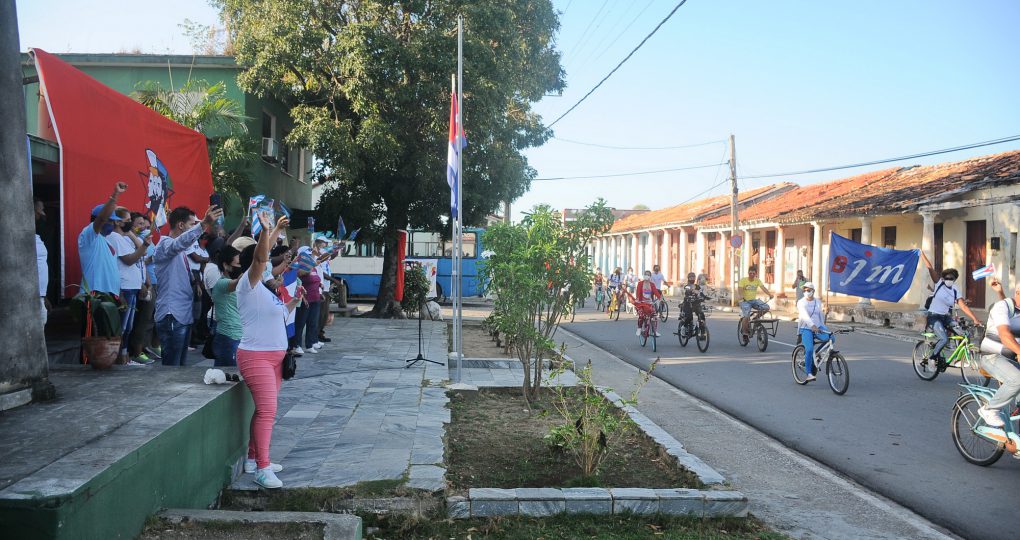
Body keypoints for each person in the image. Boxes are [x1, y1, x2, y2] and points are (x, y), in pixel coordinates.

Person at [237, 212, 301, 489]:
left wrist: (294, 302)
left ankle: (253, 458)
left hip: (274, 359)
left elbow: (279, 316)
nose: (268, 262)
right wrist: (266, 232)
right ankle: (262, 468)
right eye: (263, 258)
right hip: (256, 357)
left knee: (263, 410)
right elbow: (261, 259)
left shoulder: (264, 290)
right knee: (267, 412)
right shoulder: (247, 285)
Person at [153, 205, 223, 366]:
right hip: (171, 314)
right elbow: (179, 244)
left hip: (182, 314)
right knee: (172, 369)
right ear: (180, 225)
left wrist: (195, 283)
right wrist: (204, 224)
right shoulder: (166, 245)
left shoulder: (180, 250)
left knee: (179, 368)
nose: (196, 229)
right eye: (193, 224)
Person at [920, 260, 981, 370]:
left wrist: (975, 319)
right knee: (944, 338)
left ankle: (959, 359)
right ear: (943, 278)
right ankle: (932, 358)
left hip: (946, 317)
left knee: (965, 335)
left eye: (951, 278)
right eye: (946, 278)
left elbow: (963, 306)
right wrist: (922, 254)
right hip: (934, 317)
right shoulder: (939, 284)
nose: (949, 280)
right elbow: (930, 268)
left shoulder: (955, 290)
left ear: (954, 279)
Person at [976, 279, 1020, 431]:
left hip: (1012, 359)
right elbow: (1005, 335)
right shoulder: (1001, 307)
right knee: (1017, 380)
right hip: (992, 356)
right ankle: (989, 409)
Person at [110, 208, 151, 364]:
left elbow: (140, 253)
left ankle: (125, 356)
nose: (130, 224)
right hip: (125, 286)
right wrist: (144, 246)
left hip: (132, 286)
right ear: (118, 222)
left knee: (129, 326)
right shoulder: (114, 237)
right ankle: (121, 358)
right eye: (127, 221)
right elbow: (130, 259)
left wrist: (132, 235)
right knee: (123, 326)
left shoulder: (123, 237)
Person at [79, 182, 127, 295]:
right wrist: (115, 195)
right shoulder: (89, 235)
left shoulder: (107, 242)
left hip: (110, 296)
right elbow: (101, 219)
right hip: (93, 295)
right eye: (110, 221)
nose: (113, 224)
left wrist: (118, 293)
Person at [210, 246, 243, 367]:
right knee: (227, 377)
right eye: (239, 264)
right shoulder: (222, 283)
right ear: (226, 265)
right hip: (228, 337)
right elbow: (237, 282)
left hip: (239, 337)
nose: (241, 267)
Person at [796, 282, 831, 382]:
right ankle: (809, 373)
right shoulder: (801, 302)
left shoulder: (818, 302)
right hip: (806, 328)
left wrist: (824, 326)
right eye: (804, 290)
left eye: (808, 290)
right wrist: (812, 326)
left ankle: (817, 354)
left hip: (818, 327)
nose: (806, 292)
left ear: (813, 291)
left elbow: (820, 315)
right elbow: (804, 316)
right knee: (809, 349)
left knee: (831, 338)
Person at [294, 246, 324, 354]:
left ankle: (310, 344)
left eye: (311, 255)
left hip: (315, 297)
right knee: (301, 323)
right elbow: (303, 274)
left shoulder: (313, 266)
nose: (311, 256)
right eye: (308, 255)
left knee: (312, 322)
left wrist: (320, 286)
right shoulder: (299, 267)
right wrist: (311, 264)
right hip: (305, 298)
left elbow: (316, 278)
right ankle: (297, 345)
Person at [738, 267, 773, 337]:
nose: (752, 274)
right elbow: (740, 289)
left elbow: (763, 288)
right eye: (750, 273)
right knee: (746, 316)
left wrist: (769, 294)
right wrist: (742, 296)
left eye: (753, 273)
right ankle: (744, 332)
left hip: (753, 300)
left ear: (755, 274)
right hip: (744, 301)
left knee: (766, 307)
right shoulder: (743, 280)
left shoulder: (757, 280)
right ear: (748, 273)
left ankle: (756, 318)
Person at [634, 270, 663, 336]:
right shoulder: (640, 283)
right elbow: (638, 292)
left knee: (654, 316)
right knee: (641, 315)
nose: (647, 276)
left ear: (650, 276)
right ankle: (639, 328)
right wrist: (637, 299)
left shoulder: (652, 284)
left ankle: (654, 331)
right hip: (641, 303)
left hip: (649, 303)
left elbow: (656, 292)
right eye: (646, 274)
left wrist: (660, 298)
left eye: (648, 275)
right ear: (644, 275)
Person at [36, 233, 48, 326]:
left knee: (42, 320)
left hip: (41, 293)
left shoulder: (37, 238)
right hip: (34, 292)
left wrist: (45, 297)